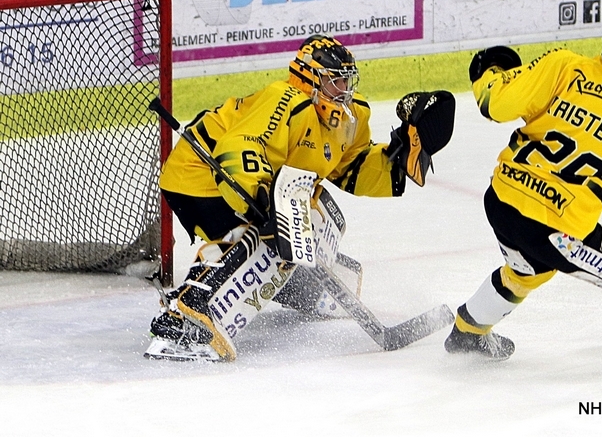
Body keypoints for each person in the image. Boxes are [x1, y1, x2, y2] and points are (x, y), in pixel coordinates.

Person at [145, 34, 455, 361]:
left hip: (248, 178)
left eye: (348, 81)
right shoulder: (288, 101)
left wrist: (395, 156)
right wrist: (262, 200)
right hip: (199, 176)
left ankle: (298, 284)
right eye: (335, 81)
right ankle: (189, 312)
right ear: (310, 78)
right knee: (269, 231)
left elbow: (350, 167)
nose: (345, 90)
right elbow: (239, 147)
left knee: (314, 213)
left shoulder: (350, 116)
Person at [444, 13, 602, 375]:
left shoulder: (564, 65)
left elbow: (496, 104)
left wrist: (490, 72)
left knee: (528, 270)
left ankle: (467, 332)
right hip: (555, 230)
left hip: (502, 200)